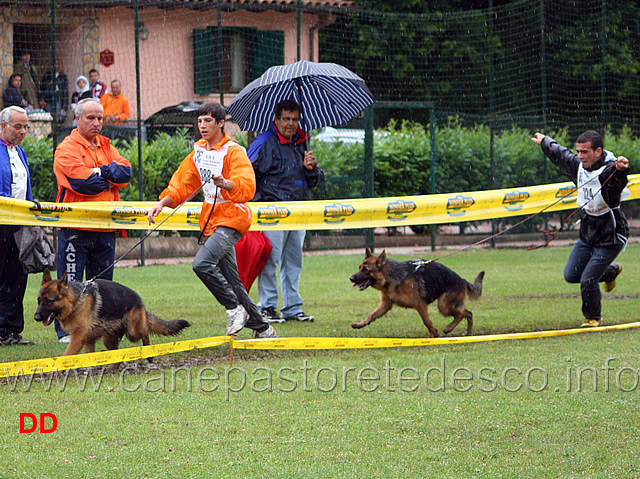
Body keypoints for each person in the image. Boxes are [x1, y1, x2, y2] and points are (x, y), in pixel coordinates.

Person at [148, 102, 277, 339]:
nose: (202, 126)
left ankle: (234, 309)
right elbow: (182, 184)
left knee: (202, 264)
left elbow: (248, 186)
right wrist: (163, 202)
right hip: (211, 221)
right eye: (199, 121)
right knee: (233, 281)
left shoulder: (234, 151)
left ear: (220, 123)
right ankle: (263, 328)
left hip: (232, 219)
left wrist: (227, 183)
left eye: (208, 121)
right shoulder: (198, 152)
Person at [53, 98, 132, 342]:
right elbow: (83, 184)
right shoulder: (66, 148)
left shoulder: (106, 145)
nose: (97, 123)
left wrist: (101, 172)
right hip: (76, 226)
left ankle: (101, 327)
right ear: (77, 119)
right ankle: (66, 332)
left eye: (100, 118)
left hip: (106, 226)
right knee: (70, 283)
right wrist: (109, 175)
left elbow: (126, 172)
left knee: (104, 284)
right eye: (91, 118)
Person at [531, 130, 628, 327]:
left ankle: (593, 318)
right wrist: (544, 141)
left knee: (588, 280)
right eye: (579, 151)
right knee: (571, 275)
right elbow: (560, 154)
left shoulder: (609, 170)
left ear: (598, 151)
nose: (580, 156)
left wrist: (621, 170)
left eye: (585, 152)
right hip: (587, 233)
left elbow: (617, 182)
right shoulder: (579, 166)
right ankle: (609, 273)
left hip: (610, 236)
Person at [247, 99, 324, 323]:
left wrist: (312, 169)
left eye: (295, 119)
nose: (291, 124)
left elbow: (314, 180)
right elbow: (247, 175)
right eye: (286, 119)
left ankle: (292, 307)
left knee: (294, 261)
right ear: (276, 119)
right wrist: (259, 206)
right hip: (272, 211)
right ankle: (267, 307)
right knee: (270, 260)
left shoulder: (302, 143)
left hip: (299, 210)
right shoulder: (264, 143)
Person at [0, 106, 35, 345]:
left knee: (17, 277)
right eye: (18, 126)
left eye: (26, 127)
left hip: (19, 224)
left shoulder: (20, 151)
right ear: (3, 126)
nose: (23, 131)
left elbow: (24, 187)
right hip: (2, 222)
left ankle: (11, 330)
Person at [40, 58, 69, 123]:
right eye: (54, 64)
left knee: (57, 118)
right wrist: (49, 84)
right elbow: (41, 87)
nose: (56, 65)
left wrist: (65, 105)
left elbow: (65, 91)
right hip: (48, 100)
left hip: (58, 99)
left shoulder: (63, 76)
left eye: (57, 64)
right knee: (48, 117)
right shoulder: (47, 75)